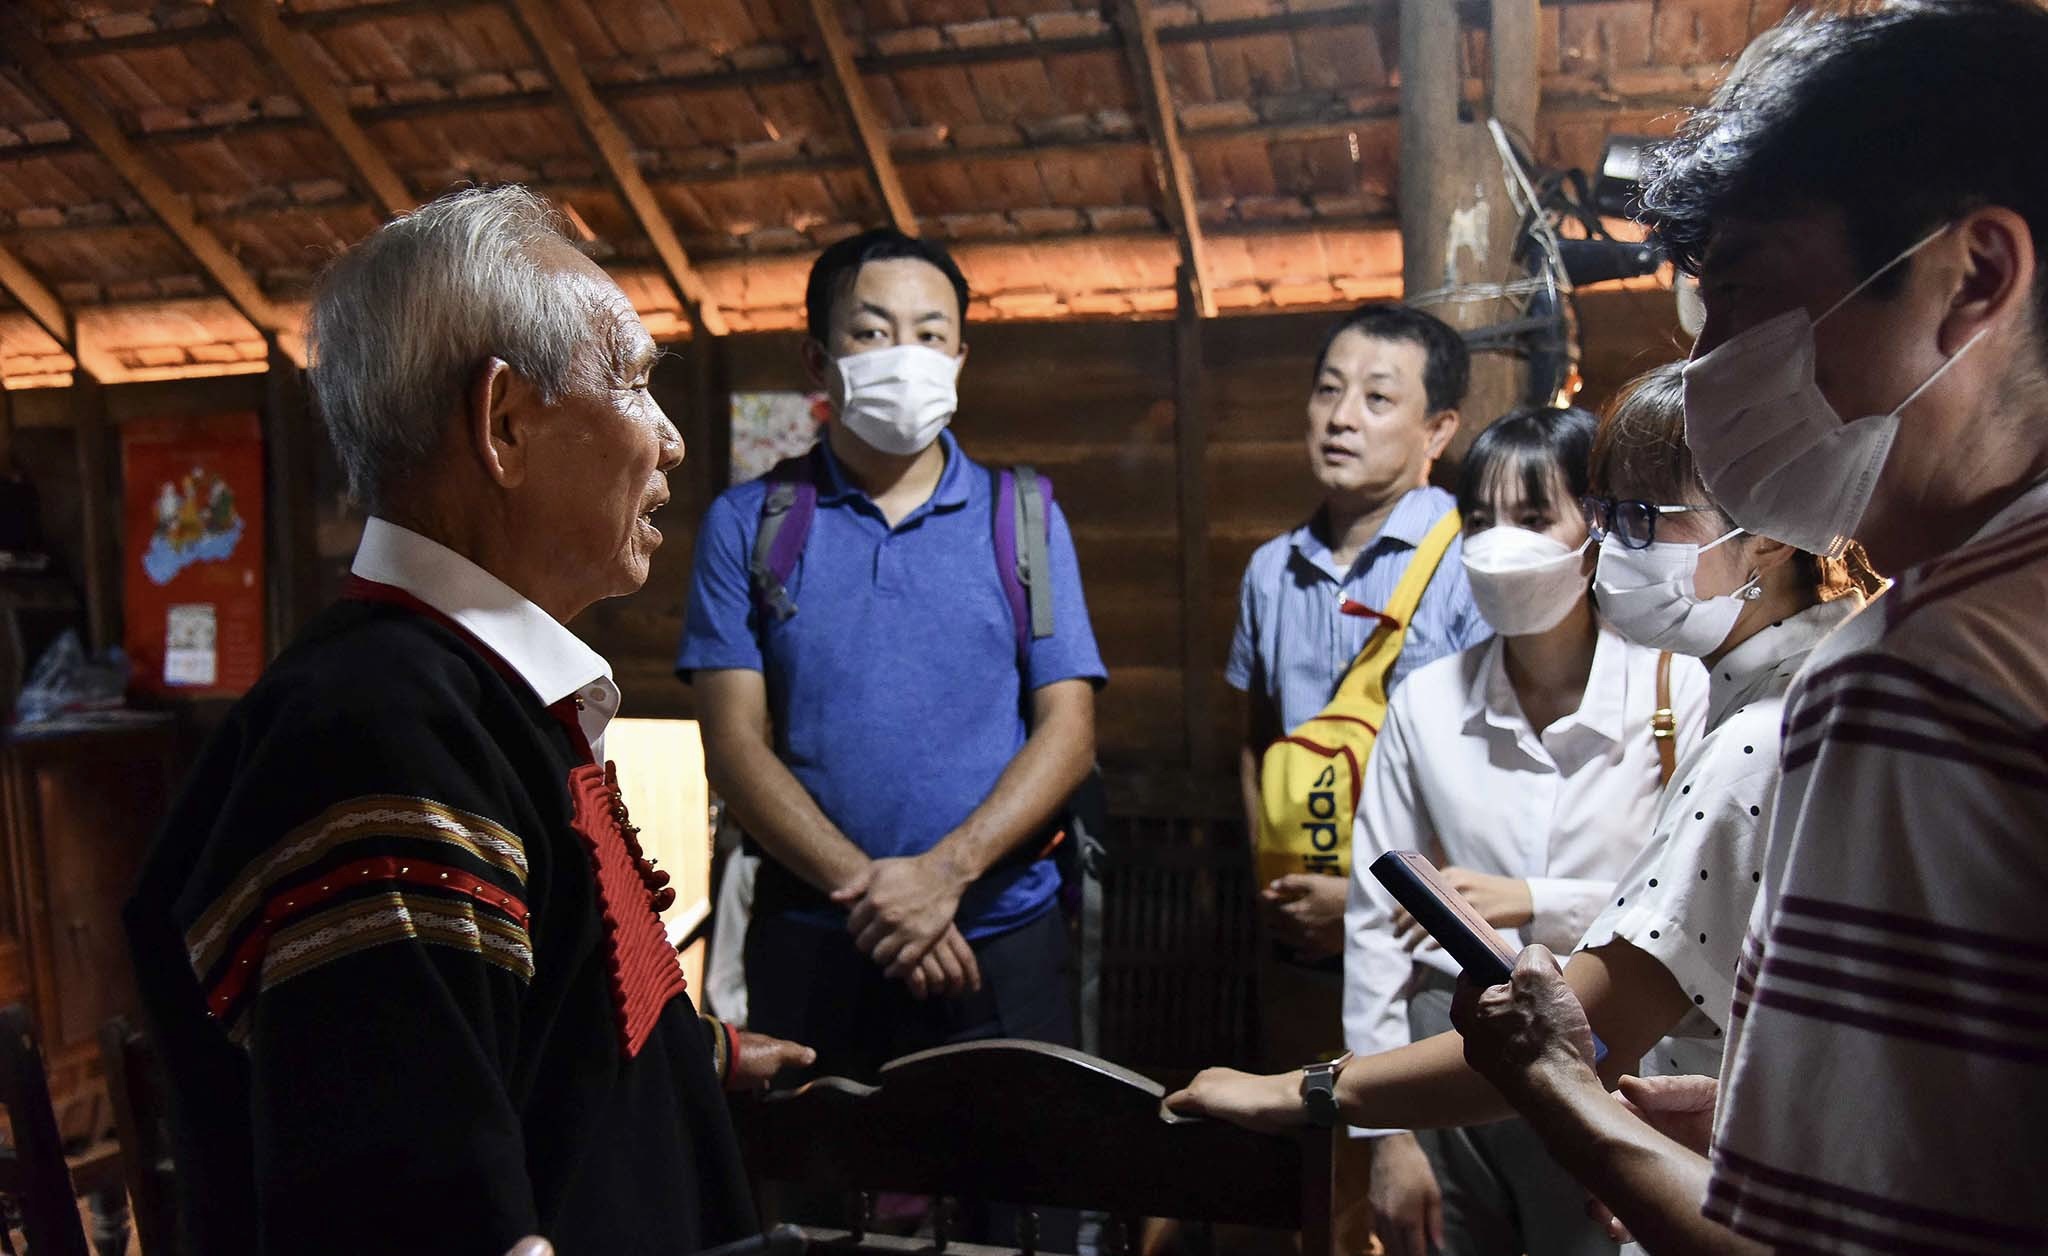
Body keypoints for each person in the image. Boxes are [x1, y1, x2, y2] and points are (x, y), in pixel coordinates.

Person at [1445, 3, 2048, 1253]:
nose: (1707, 357)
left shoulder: (1908, 679)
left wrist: (1562, 1095)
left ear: (1973, 276)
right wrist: (1774, 1118)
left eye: (1742, 291)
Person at [123, 187, 812, 1256]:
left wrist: (696, 1054)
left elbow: (505, 1015)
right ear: (504, 424)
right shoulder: (382, 736)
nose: (671, 440)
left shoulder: (464, 692)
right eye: (634, 383)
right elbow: (412, 1194)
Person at [1164, 364, 1875, 1253]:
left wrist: (1303, 1091)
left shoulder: (1752, 737)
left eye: (1643, 519)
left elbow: (1581, 1025)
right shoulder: (1814, 678)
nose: (1615, 548)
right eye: (1608, 516)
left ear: (1767, 529)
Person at [678, 228, 1105, 1084]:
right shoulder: (749, 523)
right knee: (817, 1172)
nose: (905, 355)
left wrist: (945, 876)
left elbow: (1069, 730)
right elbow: (732, 744)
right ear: (818, 358)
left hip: (1001, 938)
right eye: (872, 331)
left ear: (960, 358)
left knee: (1021, 1170)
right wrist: (883, 901)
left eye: (931, 333)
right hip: (815, 945)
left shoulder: (1024, 517)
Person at [1343, 402, 1708, 1256]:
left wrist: (1533, 899)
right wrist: (1386, 1135)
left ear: (1597, 530)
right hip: (1447, 1040)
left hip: (1616, 1053)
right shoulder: (1425, 704)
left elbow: (1695, 909)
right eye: (1481, 520)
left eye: (1535, 517)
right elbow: (1372, 927)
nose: (1499, 544)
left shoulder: (1676, 689)